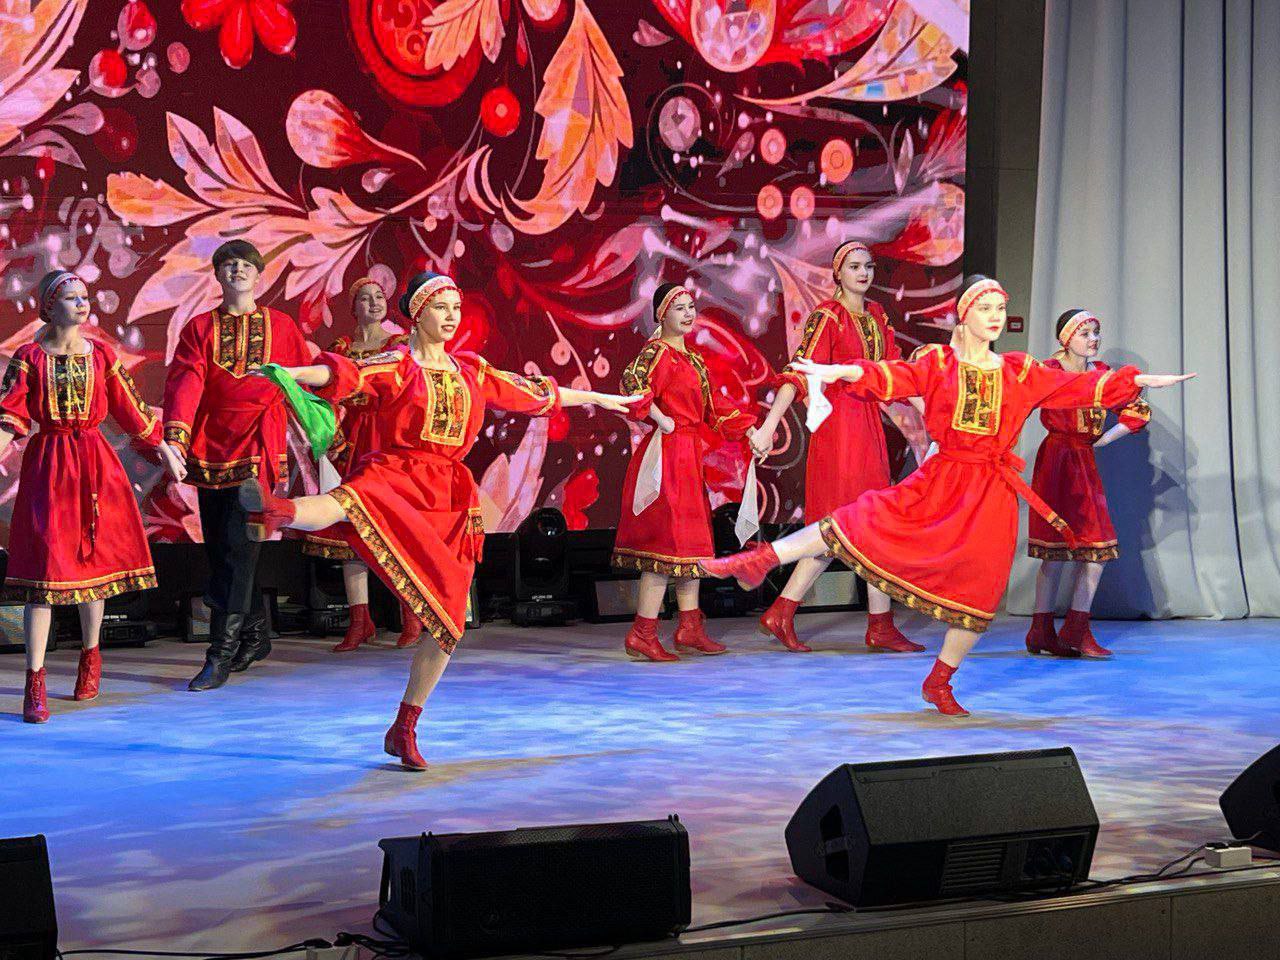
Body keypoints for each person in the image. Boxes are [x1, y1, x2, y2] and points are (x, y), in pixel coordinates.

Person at [700, 275, 1193, 717]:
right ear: (965, 314)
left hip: (991, 492)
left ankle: (939, 681)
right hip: (942, 478)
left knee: (981, 591)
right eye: (986, 308)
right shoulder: (938, 362)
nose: (995, 317)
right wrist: (837, 373)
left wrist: (1136, 381)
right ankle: (761, 559)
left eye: (1001, 309)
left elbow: (1078, 387)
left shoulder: (1020, 372)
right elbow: (889, 376)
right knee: (857, 520)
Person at [235, 271, 638, 769]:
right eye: (441, 307)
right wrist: (288, 373)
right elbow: (343, 374)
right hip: (398, 471)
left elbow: (536, 394)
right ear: (417, 313)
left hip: (449, 496)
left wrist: (599, 398)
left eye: (456, 307)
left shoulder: (472, 372)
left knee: (447, 622)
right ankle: (276, 510)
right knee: (350, 500)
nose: (451, 317)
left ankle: (404, 727)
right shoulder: (396, 365)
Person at [0, 271, 162, 722]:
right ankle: (35, 680)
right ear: (49, 306)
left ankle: (91, 657)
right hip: (50, 464)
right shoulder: (30, 357)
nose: (80, 303)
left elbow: (132, 410)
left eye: (84, 296)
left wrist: (165, 449)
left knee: (95, 560)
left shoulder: (102, 355)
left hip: (95, 463)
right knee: (45, 572)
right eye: (70, 297)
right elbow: (9, 416)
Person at [750, 241, 925, 653]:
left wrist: (932, 409)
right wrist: (769, 425)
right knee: (841, 528)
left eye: (868, 266)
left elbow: (895, 374)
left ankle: (863, 622)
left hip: (869, 427)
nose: (863, 273)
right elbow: (798, 374)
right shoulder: (828, 316)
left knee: (867, 527)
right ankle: (798, 613)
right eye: (854, 266)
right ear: (838, 273)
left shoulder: (878, 315)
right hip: (840, 431)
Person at [157, 239, 310, 692]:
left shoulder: (281, 326)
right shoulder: (200, 327)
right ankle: (256, 635)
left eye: (246, 264)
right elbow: (186, 382)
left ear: (259, 274)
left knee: (240, 549)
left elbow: (302, 382)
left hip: (259, 445)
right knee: (225, 550)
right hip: (211, 446)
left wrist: (321, 433)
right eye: (228, 265)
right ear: (218, 275)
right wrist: (176, 438)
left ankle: (219, 654)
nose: (237, 270)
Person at [611, 283, 759, 661]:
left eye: (692, 306)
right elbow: (631, 383)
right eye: (679, 308)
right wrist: (659, 417)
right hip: (668, 454)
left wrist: (751, 432)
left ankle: (690, 627)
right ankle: (643, 632)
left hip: (689, 456)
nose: (689, 313)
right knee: (666, 544)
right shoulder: (658, 353)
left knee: (691, 545)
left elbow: (715, 409)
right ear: (662, 315)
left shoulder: (693, 359)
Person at [300, 277, 418, 651]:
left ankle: (411, 615)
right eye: (365, 298)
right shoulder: (339, 350)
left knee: (394, 531)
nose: (373, 302)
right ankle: (359, 620)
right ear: (353, 308)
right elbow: (320, 399)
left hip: (386, 445)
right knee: (350, 532)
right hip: (348, 446)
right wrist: (331, 439)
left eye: (379, 296)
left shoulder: (400, 346)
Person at [1024, 310, 1151, 659]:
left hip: (1083, 459)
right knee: (1054, 554)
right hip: (1056, 461)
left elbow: (1137, 409)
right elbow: (1017, 405)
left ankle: (1076, 630)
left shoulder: (1102, 374)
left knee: (1095, 551)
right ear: (1066, 339)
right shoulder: (1048, 371)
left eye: (1096, 332)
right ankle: (1041, 630)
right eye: (1085, 333)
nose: (1093, 339)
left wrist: (1105, 439)